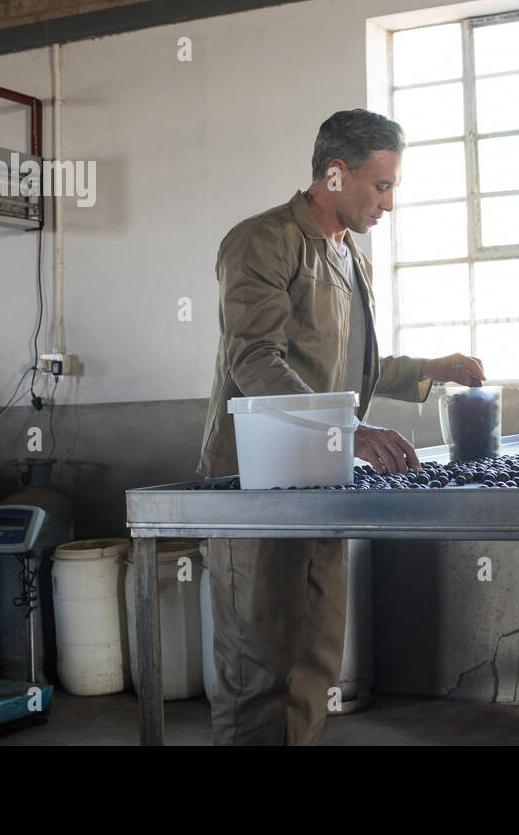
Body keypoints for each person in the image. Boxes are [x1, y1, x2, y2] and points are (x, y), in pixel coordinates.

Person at [196, 108, 485, 744]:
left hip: (319, 479)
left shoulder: (352, 258)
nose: (388, 204)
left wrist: (431, 368)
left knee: (315, 658)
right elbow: (254, 359)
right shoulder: (262, 241)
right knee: (259, 662)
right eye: (380, 187)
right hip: (257, 483)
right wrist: (349, 430)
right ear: (335, 174)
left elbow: (349, 370)